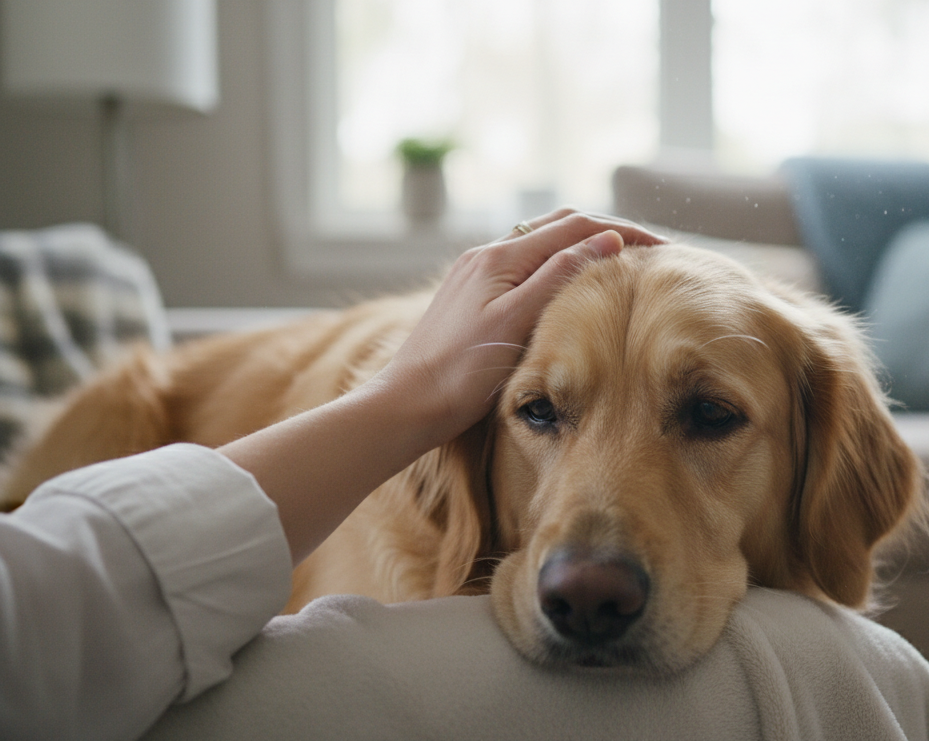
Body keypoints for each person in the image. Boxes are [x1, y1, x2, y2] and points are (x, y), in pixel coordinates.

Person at [0, 211, 666, 741]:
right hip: (142, 423)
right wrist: (413, 398)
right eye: (541, 410)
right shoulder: (443, 467)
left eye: (709, 415)